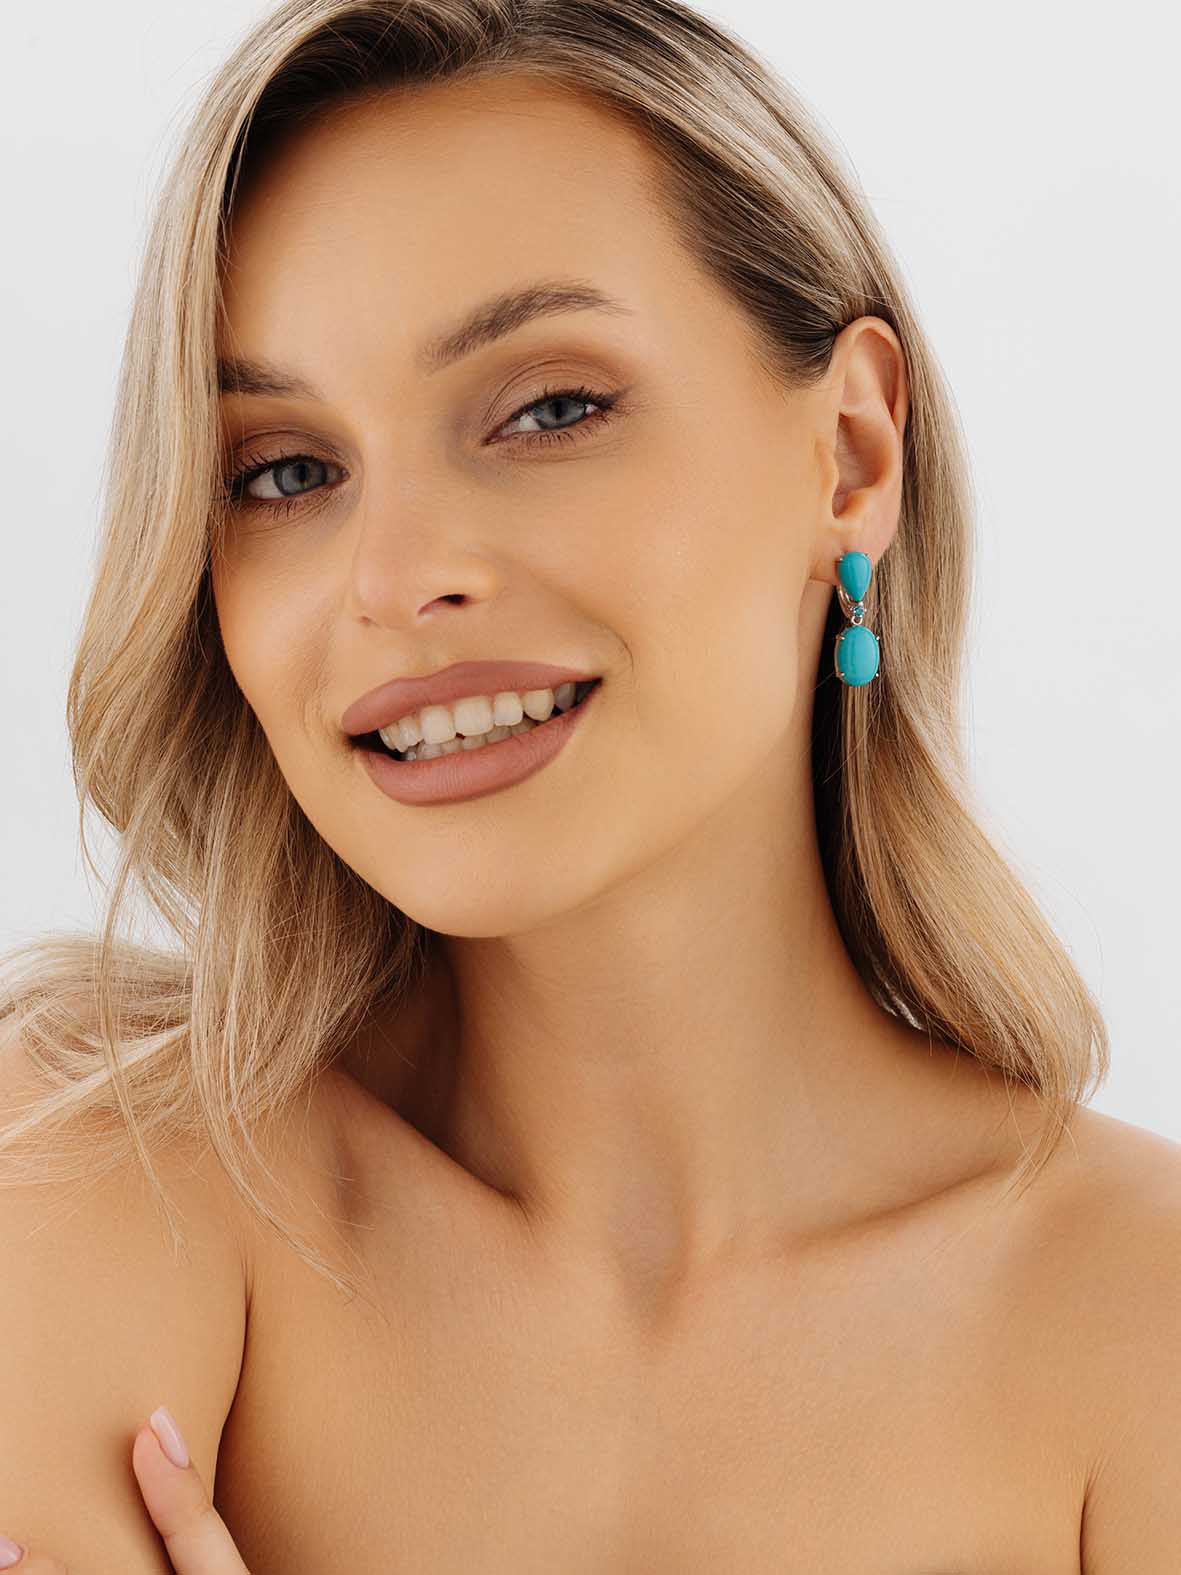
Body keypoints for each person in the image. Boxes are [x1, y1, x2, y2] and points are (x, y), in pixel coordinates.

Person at [2, 1, 1178, 1570]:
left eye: (548, 410)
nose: (396, 578)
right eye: (284, 471)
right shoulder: (96, 1153)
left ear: (849, 453)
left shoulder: (1139, 1317)